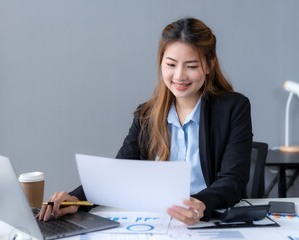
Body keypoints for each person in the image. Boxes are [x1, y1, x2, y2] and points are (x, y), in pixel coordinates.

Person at [36, 17, 252, 225]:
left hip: (210, 220)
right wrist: (76, 200)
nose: (179, 76)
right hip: (157, 221)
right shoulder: (146, 115)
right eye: (171, 64)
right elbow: (119, 173)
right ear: (161, 63)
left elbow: (233, 181)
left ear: (209, 65)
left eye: (192, 66)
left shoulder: (233, 109)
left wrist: (202, 204)